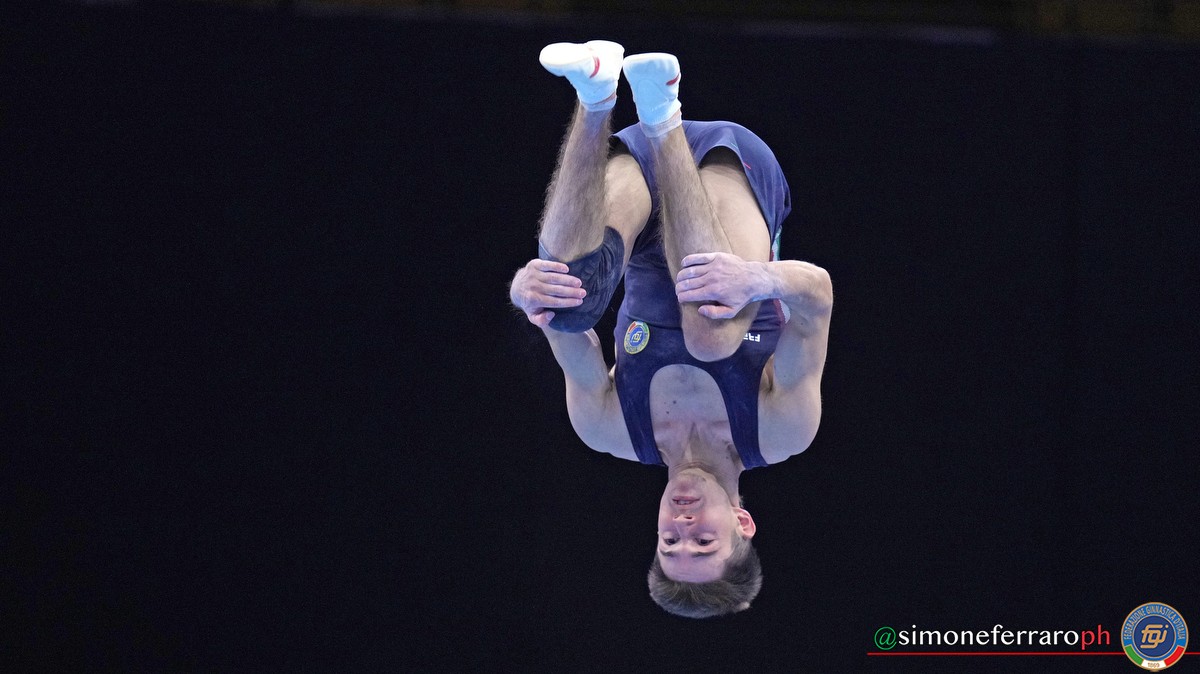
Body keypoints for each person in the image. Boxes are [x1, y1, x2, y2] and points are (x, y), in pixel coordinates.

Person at [508, 40, 833, 618]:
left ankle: (595, 93)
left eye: (669, 541)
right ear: (742, 523)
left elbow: (558, 329)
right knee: (714, 331)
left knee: (569, 303)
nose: (683, 524)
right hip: (728, 178)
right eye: (703, 540)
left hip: (641, 183)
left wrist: (527, 292)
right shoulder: (782, 431)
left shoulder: (608, 430)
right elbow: (819, 297)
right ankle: (663, 114)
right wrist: (757, 279)